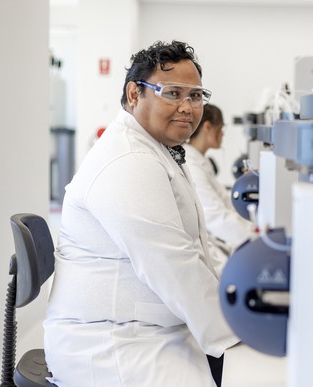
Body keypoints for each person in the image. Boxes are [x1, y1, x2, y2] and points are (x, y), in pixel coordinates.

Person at [43, 40, 239, 387]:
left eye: (195, 96)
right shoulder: (128, 161)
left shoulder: (157, 150)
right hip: (113, 345)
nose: (188, 107)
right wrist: (239, 331)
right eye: (173, 93)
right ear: (135, 94)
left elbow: (193, 244)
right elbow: (172, 264)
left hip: (144, 328)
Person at [183, 104, 257, 253]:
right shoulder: (190, 163)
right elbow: (213, 214)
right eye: (221, 129)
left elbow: (226, 201)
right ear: (208, 126)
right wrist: (255, 238)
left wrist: (254, 228)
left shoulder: (200, 160)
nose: (222, 135)